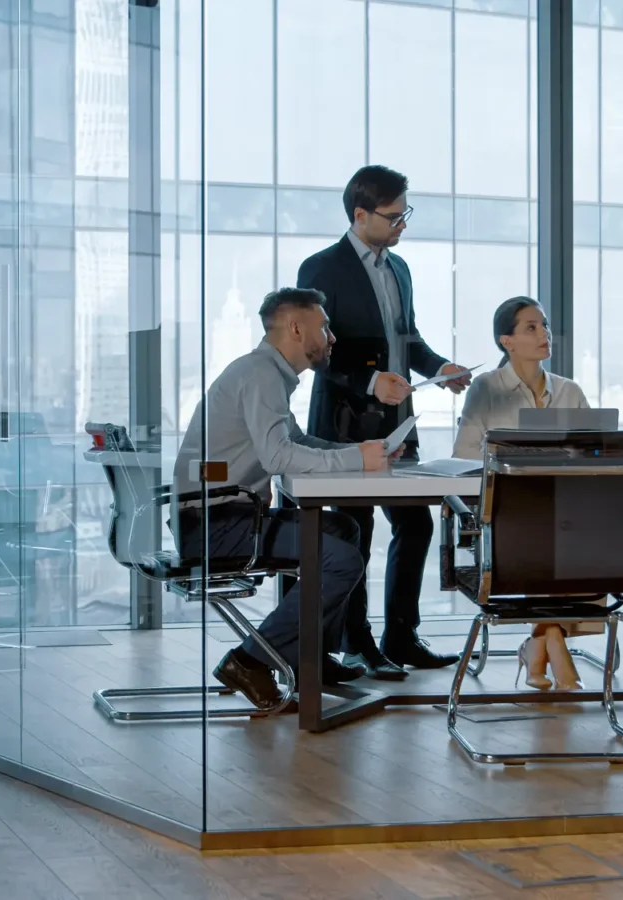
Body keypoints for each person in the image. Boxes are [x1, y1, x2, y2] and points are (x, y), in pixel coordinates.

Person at [172, 288, 392, 708]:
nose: (331, 337)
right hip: (214, 526)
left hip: (226, 516)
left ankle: (311, 657)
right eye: (324, 326)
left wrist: (363, 454)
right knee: (341, 560)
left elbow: (295, 441)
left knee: (342, 527)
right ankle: (250, 660)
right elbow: (278, 456)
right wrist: (354, 458)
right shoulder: (261, 375)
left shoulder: (264, 373)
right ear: (295, 327)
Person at [298, 165, 471, 680]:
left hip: (399, 420)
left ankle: (402, 634)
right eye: (394, 216)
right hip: (347, 421)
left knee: (415, 522)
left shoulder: (400, 270)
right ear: (360, 214)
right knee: (356, 529)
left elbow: (408, 338)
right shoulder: (322, 268)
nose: (402, 225)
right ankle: (357, 644)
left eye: (404, 214)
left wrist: (439, 368)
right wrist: (371, 382)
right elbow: (316, 351)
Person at [453, 296, 592, 690]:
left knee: (574, 534)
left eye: (544, 325)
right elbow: (463, 456)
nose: (544, 334)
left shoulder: (570, 392)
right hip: (508, 516)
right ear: (506, 341)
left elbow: (591, 457)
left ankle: (542, 640)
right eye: (531, 327)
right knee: (552, 538)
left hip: (564, 512)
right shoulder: (486, 390)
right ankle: (552, 644)